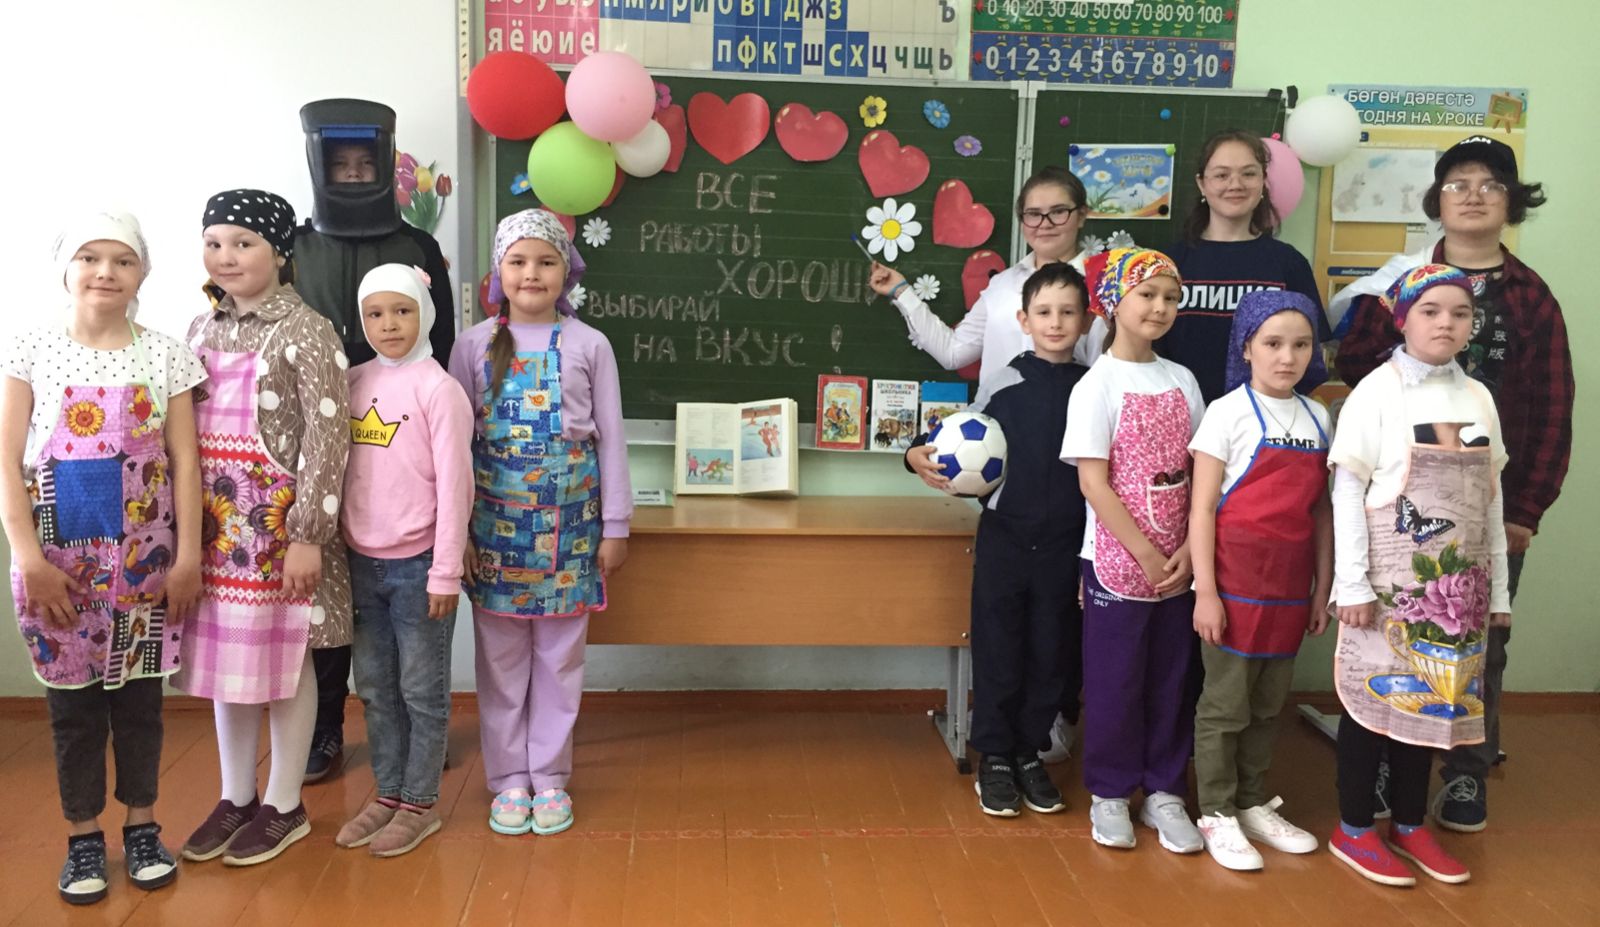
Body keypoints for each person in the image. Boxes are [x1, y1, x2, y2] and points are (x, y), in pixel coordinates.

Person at [1331, 135, 1571, 832]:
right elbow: (1354, 364)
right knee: (1391, 642)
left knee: (1478, 648)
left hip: (1487, 510)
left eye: (1490, 183)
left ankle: (1466, 774)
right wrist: (1415, 363)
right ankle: (1383, 760)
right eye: (1458, 183)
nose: (1473, 195)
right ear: (1437, 200)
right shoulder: (1399, 281)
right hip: (1395, 510)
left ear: (1511, 201)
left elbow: (1554, 408)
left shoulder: (1531, 297)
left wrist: (1526, 509)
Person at [2, 213, 204, 904]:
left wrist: (187, 556)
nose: (105, 272)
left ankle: (143, 826)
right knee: (74, 709)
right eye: (90, 257)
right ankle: (83, 836)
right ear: (65, 268)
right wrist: (29, 558)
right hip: (56, 569)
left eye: (123, 260)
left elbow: (185, 464)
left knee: (141, 704)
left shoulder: (168, 354)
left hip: (145, 565)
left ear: (142, 272)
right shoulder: (29, 349)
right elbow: (6, 461)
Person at [872, 165, 1106, 763]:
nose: (1045, 223)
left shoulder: (1105, 285)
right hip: (1006, 474)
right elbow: (955, 350)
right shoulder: (1004, 287)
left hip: (1075, 469)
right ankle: (1003, 742)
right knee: (1006, 620)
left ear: (1081, 215)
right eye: (1033, 213)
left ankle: (1052, 721)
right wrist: (903, 294)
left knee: (1059, 620)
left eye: (1058, 211)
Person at [175, 190, 353, 867]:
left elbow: (328, 441)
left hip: (280, 531)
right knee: (230, 666)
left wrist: (308, 533)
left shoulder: (308, 330)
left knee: (287, 663)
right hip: (219, 532)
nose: (226, 256)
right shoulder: (200, 328)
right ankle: (236, 795)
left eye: (243, 243)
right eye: (214, 242)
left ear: (279, 252)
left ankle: (284, 801)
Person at [448, 209, 632, 837]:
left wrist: (616, 526)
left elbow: (612, 442)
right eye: (518, 261)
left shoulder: (590, 344)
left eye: (546, 261)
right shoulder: (471, 346)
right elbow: (455, 451)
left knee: (559, 663)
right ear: (498, 272)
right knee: (500, 666)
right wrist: (457, 535)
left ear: (566, 271)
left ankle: (550, 776)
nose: (532, 273)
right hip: (493, 533)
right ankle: (508, 779)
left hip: (571, 534)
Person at [1325, 265, 1510, 887]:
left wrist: (1498, 593)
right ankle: (1354, 828)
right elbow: (1347, 493)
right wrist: (1351, 585)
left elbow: (1491, 501)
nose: (1446, 323)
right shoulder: (1376, 392)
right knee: (1370, 705)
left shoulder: (1479, 397)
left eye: (1460, 313)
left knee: (1432, 703)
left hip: (1458, 591)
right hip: (1387, 586)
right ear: (1403, 319)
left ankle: (1409, 823)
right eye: (1431, 311)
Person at [294, 99, 457, 781]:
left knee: (405, 632)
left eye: (367, 161)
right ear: (320, 162)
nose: (355, 173)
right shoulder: (297, 245)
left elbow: (441, 340)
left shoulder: (416, 248)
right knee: (334, 596)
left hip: (400, 430)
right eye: (343, 162)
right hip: (318, 431)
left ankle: (422, 744)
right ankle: (325, 728)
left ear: (385, 161)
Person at [911, 262, 1090, 817]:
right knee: (998, 648)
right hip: (1005, 541)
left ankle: (1028, 752)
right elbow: (958, 432)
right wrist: (914, 451)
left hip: (1067, 545)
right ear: (1024, 320)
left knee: (1050, 652)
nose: (1055, 322)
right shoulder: (1006, 381)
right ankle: (993, 755)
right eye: (1044, 312)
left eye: (1068, 312)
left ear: (1086, 322)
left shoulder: (1094, 386)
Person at [1060, 248, 1206, 853]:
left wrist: (1191, 550)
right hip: (1118, 561)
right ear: (1113, 302)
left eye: (1171, 297)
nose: (1160, 307)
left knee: (1172, 678)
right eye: (1147, 294)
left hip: (1181, 560)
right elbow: (1094, 484)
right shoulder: (1096, 385)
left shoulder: (1183, 380)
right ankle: (1111, 792)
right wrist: (1145, 553)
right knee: (1116, 680)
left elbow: (1200, 474)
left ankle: (1166, 790)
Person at [1187, 290, 1332, 871]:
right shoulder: (1227, 413)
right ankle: (1216, 811)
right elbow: (1202, 509)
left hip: (1291, 591)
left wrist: (1322, 588)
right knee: (1225, 707)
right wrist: (1205, 592)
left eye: (1301, 345)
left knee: (1270, 705)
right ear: (1246, 348)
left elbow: (1321, 511)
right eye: (1272, 343)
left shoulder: (1319, 417)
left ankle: (1251, 802)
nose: (1287, 357)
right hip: (1233, 587)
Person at [334, 264, 473, 857]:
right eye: (375, 313)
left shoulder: (439, 390)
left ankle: (420, 802)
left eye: (402, 311)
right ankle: (387, 792)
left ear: (426, 314)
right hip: (361, 564)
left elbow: (456, 489)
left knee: (421, 690)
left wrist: (446, 571)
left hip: (420, 566)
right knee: (374, 688)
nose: (388, 324)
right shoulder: (352, 380)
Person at [1160, 129, 1329, 404]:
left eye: (1248, 173)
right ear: (1202, 184)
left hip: (1262, 415)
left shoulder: (1289, 263)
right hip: (1178, 411)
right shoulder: (1169, 263)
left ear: (1263, 181)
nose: (1235, 184)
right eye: (1221, 175)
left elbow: (1308, 350)